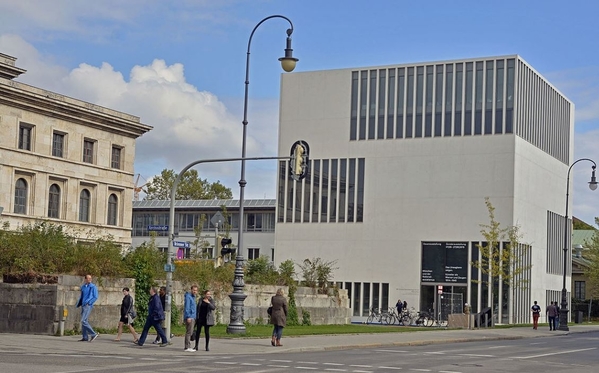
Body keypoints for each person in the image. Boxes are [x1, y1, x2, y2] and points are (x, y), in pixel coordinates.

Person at [76, 274, 99, 342]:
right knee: (85, 321)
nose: (89, 280)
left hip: (88, 305)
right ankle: (85, 337)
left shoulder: (93, 287)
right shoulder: (83, 287)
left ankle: (93, 334)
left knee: (83, 320)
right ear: (85, 279)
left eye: (90, 278)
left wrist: (89, 302)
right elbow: (82, 296)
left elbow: (95, 296)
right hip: (83, 305)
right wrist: (80, 303)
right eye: (88, 278)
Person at [183, 285, 198, 352]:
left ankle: (188, 346)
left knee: (190, 332)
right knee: (189, 332)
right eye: (194, 290)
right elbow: (187, 307)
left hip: (193, 316)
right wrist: (188, 316)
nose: (195, 291)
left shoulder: (193, 297)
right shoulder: (188, 297)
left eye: (196, 290)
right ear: (191, 290)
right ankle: (187, 347)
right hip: (190, 317)